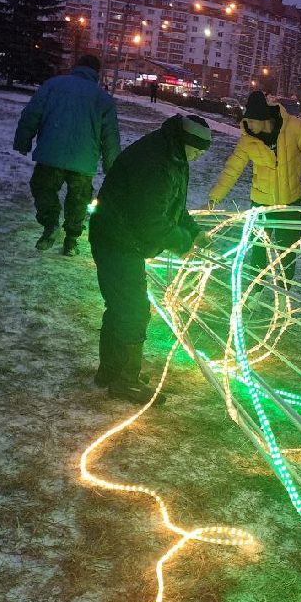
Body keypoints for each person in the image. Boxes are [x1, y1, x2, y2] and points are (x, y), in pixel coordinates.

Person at [89, 114, 212, 401]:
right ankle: (125, 381)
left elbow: (173, 206)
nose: (195, 159)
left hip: (121, 237)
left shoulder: (173, 156)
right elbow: (151, 220)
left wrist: (193, 232)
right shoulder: (157, 162)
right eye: (195, 152)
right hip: (117, 240)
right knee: (133, 309)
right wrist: (184, 243)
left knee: (122, 306)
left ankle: (112, 370)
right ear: (185, 143)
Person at [13, 54, 121, 256]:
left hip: (51, 153)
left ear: (76, 66)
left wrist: (23, 141)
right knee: (79, 200)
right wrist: (112, 165)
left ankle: (50, 224)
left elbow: (31, 114)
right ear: (96, 73)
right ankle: (71, 239)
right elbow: (110, 136)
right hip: (84, 161)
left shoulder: (53, 85)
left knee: (43, 188)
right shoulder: (102, 98)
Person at [207, 90, 301, 281]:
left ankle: (284, 294)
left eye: (251, 121)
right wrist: (214, 198)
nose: (248, 125)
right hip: (260, 203)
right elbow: (232, 169)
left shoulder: (293, 127)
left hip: (290, 203)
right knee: (258, 250)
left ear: (263, 118)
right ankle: (256, 290)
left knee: (287, 253)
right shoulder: (248, 140)